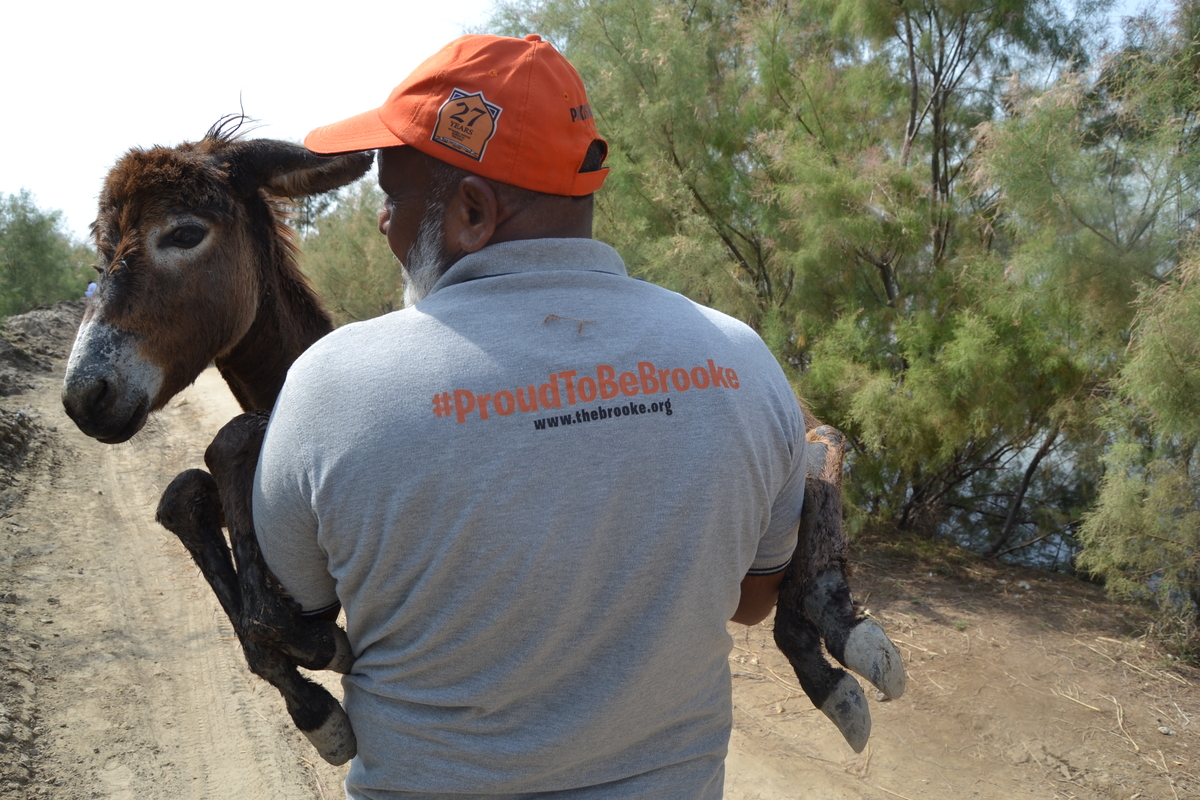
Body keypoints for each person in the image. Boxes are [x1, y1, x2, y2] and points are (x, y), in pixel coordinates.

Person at [252, 33, 806, 800]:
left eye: (390, 198)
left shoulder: (332, 387)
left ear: (473, 212)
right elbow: (752, 601)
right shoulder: (740, 360)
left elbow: (306, 615)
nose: (382, 223)